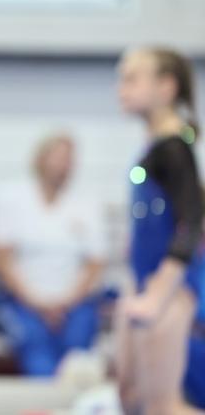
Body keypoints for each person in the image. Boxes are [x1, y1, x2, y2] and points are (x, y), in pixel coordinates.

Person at [114, 46, 205, 415]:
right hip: (145, 282)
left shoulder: (174, 148)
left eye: (132, 79)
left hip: (169, 289)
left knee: (162, 407)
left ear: (166, 87)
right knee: (131, 397)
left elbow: (191, 223)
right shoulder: (155, 146)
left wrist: (159, 293)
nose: (121, 89)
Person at [0, 134, 106, 376]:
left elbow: (95, 263)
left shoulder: (87, 202)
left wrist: (64, 303)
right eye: (59, 157)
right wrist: (37, 303)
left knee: (78, 344)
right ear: (41, 159)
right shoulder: (13, 197)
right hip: (23, 300)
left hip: (74, 302)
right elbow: (2, 259)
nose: (65, 165)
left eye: (69, 159)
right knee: (34, 343)